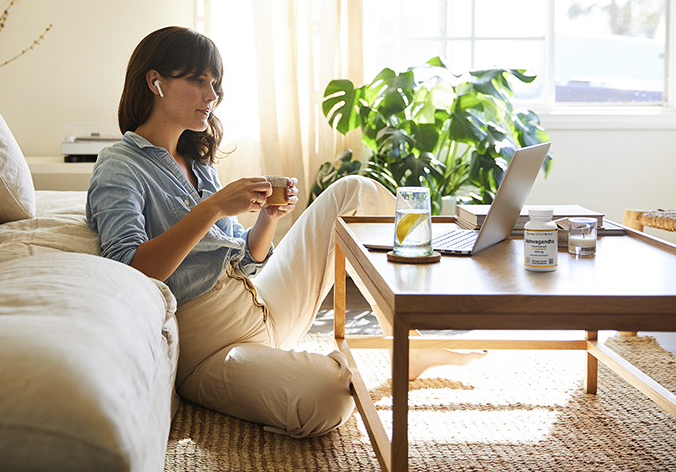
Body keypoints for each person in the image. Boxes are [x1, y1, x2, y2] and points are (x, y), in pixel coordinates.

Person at [86, 26, 484, 439]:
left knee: (354, 191)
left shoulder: (196, 160)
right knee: (329, 394)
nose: (212, 95)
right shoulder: (120, 165)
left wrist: (268, 219)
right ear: (156, 82)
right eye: (198, 80)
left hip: (260, 301)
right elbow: (128, 270)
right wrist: (215, 206)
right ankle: (284, 373)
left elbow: (245, 260)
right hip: (211, 348)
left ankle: (407, 337)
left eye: (215, 83)